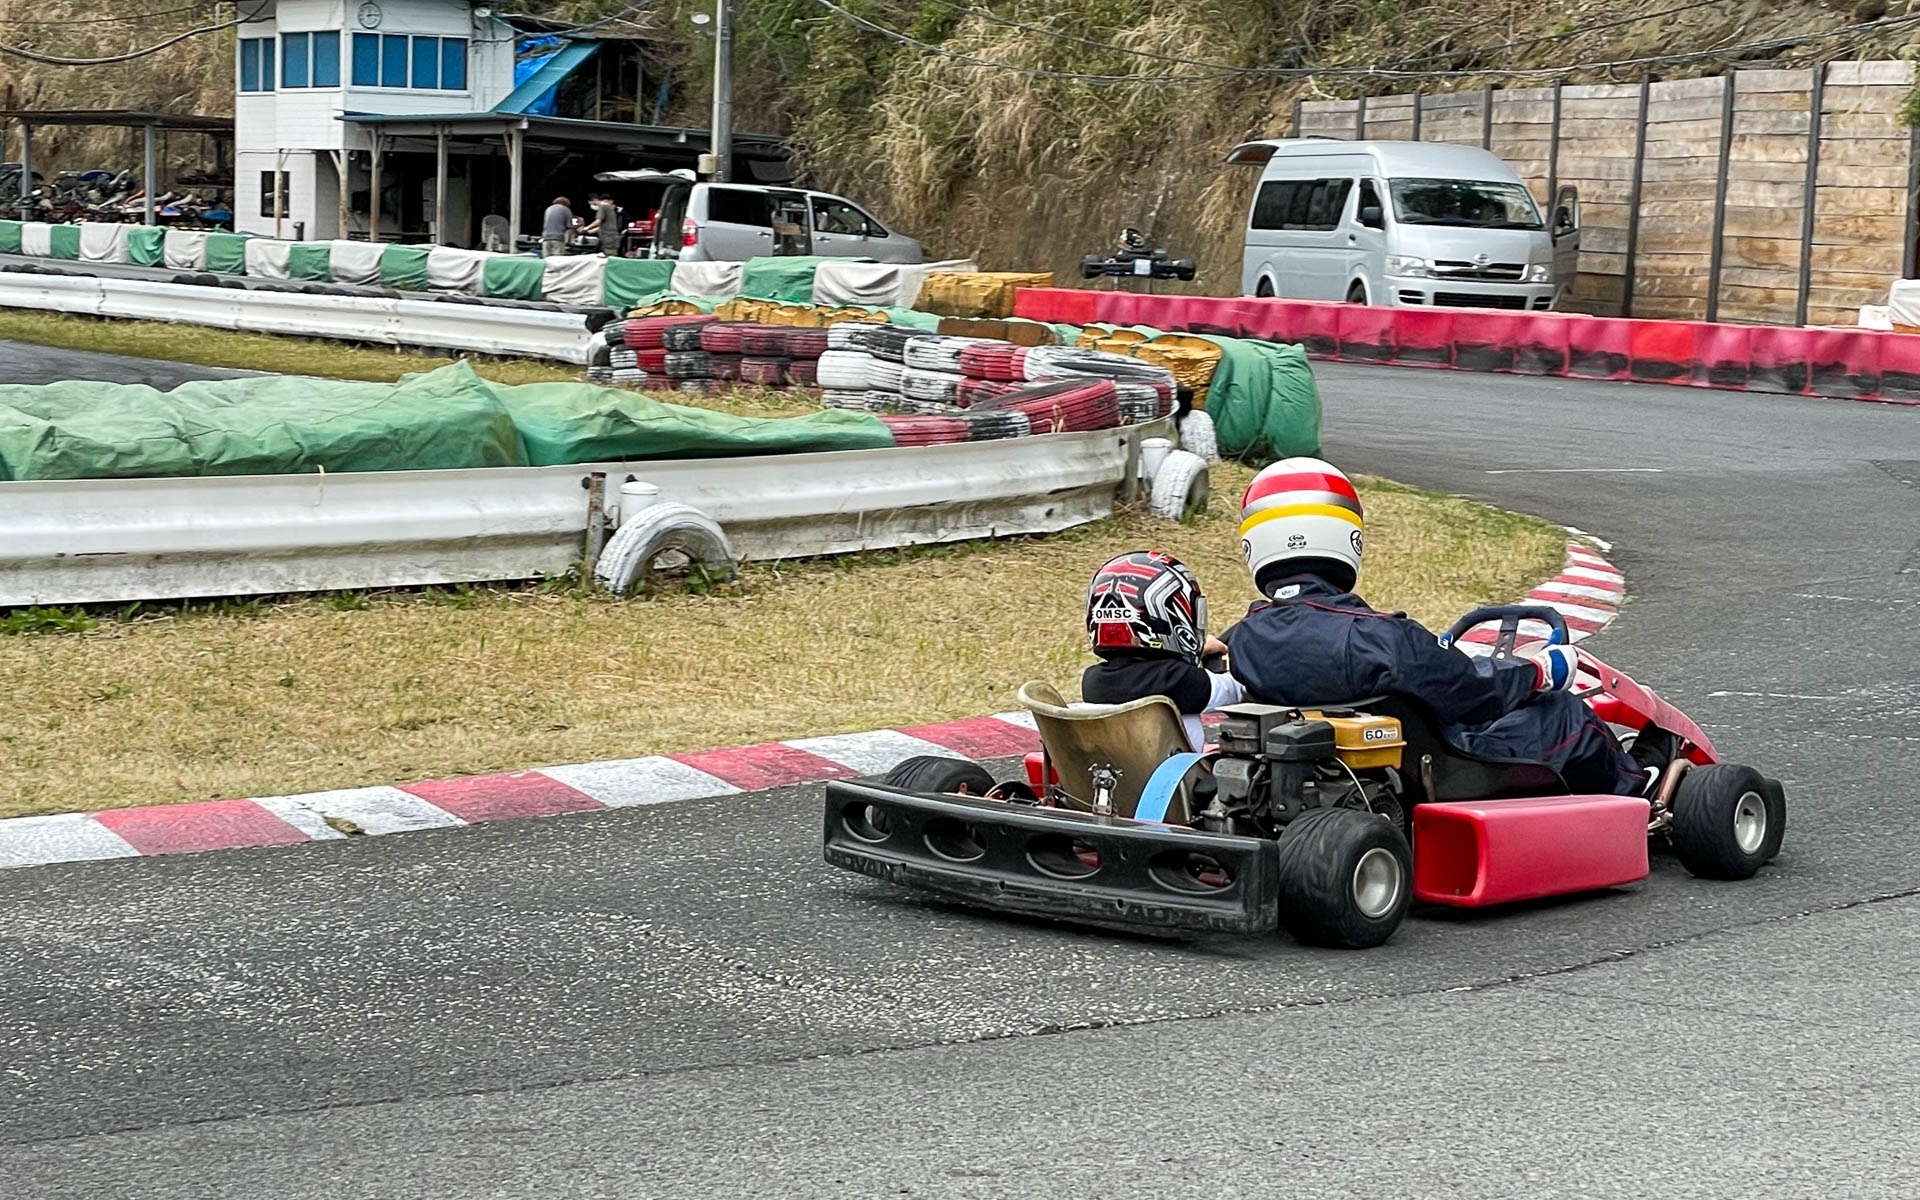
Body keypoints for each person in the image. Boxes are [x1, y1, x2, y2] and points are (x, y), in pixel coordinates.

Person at [1221, 457, 1660, 797]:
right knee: (1564, 715)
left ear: (1253, 543)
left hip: (1344, 777)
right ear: (1348, 536)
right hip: (1442, 773)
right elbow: (1471, 692)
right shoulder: (1382, 638)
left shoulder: (1242, 640)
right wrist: (1538, 672)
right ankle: (1642, 794)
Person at [1081, 550, 1245, 753]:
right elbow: (1238, 688)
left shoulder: (1092, 681)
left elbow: (1141, 674)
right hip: (1180, 781)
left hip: (1115, 779)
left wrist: (1194, 655)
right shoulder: (1179, 680)